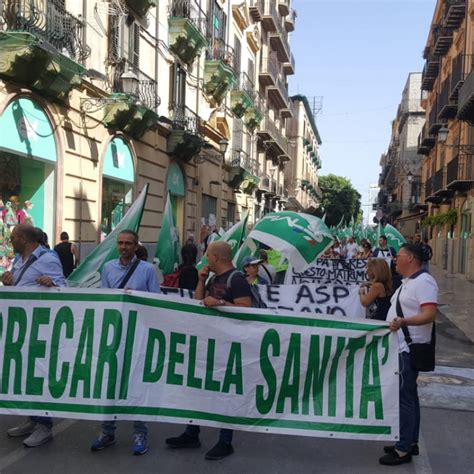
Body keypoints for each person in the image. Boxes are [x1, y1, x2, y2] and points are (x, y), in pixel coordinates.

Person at [166, 241, 252, 460]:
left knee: (225, 394)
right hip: (209, 344)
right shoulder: (214, 278)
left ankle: (225, 441)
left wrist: (221, 302)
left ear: (215, 256)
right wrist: (202, 280)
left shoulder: (237, 280)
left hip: (229, 347)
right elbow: (199, 302)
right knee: (198, 389)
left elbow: (248, 311)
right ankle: (191, 433)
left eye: (207, 254)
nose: (204, 258)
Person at [91, 230, 160, 456]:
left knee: (136, 386)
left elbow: (157, 301)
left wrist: (136, 298)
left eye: (128, 243)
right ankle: (107, 431)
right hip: (114, 335)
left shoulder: (147, 270)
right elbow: (103, 300)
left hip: (138, 336)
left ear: (135, 245)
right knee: (109, 384)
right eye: (120, 243)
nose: (123, 247)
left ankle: (140, 433)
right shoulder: (108, 268)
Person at [2, 224, 65, 447]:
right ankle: (32, 418)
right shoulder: (19, 259)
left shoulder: (48, 258)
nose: (11, 242)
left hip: (40, 327)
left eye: (13, 238)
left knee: (39, 375)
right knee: (26, 375)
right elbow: (20, 287)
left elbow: (63, 288)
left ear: (23, 238)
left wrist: (53, 283)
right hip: (22, 326)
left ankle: (44, 426)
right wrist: (7, 283)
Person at [379, 243, 438, 466]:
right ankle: (408, 441)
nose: (395, 259)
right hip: (401, 347)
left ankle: (402, 449)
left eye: (399, 256)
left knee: (405, 399)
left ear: (411, 259)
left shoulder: (424, 282)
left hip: (408, 349)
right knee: (408, 397)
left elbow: (429, 314)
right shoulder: (410, 282)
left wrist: (404, 321)